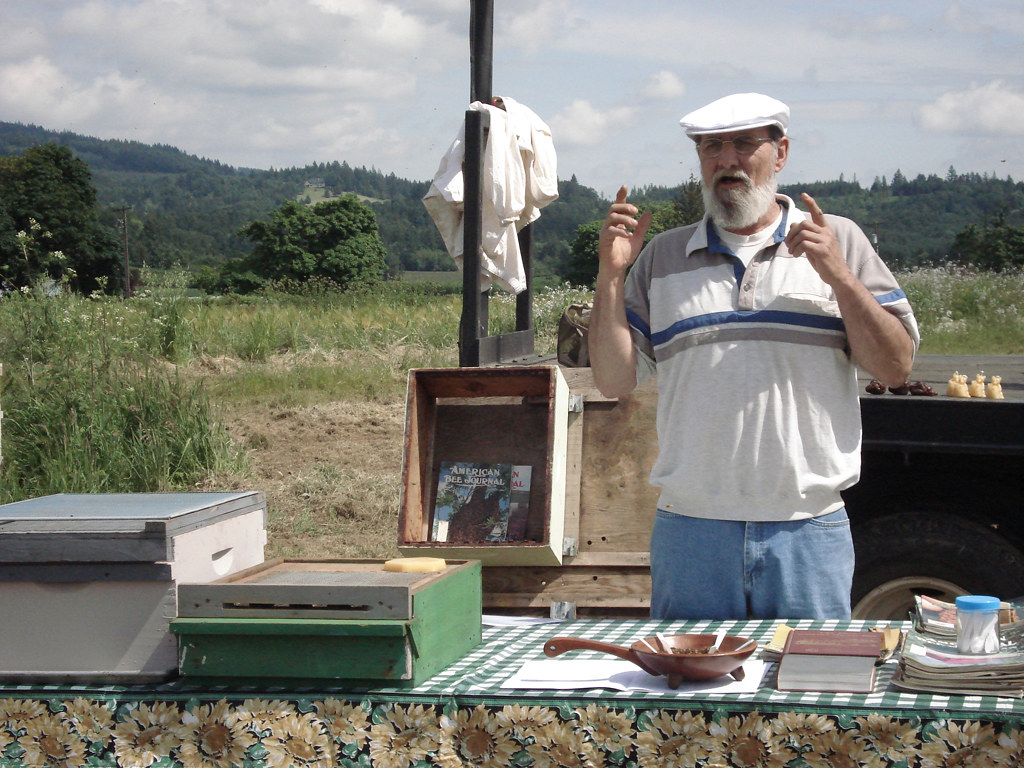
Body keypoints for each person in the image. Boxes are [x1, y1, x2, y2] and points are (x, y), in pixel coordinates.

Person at [588, 92, 920, 620]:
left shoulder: (838, 240)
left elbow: (895, 367)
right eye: (711, 147)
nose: (727, 160)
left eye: (744, 144)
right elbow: (612, 380)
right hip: (690, 531)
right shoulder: (662, 257)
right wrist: (610, 275)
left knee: (806, 676)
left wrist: (838, 275)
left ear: (780, 153)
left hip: (807, 530)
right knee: (688, 678)